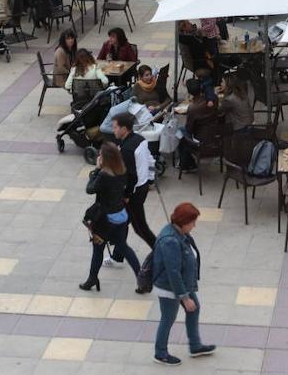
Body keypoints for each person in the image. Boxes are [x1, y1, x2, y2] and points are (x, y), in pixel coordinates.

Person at [152, 202, 216, 365]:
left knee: (194, 309)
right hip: (170, 287)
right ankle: (160, 353)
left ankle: (195, 346)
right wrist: (185, 297)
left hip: (181, 286)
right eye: (192, 222)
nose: (194, 226)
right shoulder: (171, 241)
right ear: (183, 221)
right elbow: (173, 272)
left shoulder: (179, 233)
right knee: (168, 318)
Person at [80, 142, 141, 292]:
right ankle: (142, 279)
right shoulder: (122, 170)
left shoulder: (104, 174)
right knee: (124, 247)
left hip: (105, 221)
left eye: (100, 154)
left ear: (105, 158)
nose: (98, 156)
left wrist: (96, 169)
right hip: (121, 215)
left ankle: (92, 279)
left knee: (97, 250)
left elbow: (90, 189)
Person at [114, 113, 157, 249]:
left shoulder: (126, 149)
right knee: (123, 222)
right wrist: (150, 179)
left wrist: (127, 196)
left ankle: (159, 250)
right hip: (142, 187)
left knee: (140, 227)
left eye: (115, 127)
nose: (113, 129)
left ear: (124, 129)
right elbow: (151, 160)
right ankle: (118, 255)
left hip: (134, 193)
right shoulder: (140, 139)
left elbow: (131, 176)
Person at [178, 79, 220, 172]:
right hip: (215, 136)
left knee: (180, 132)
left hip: (201, 140)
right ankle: (186, 162)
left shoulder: (193, 108)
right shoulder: (214, 99)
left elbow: (189, 129)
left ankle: (187, 164)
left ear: (189, 92)